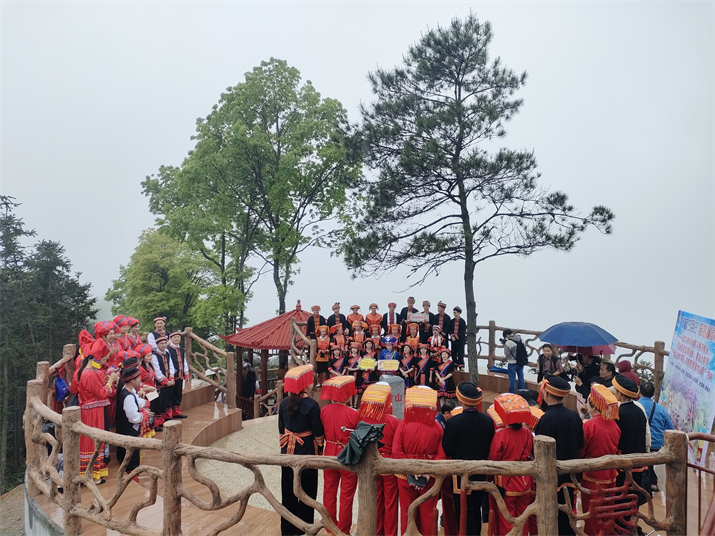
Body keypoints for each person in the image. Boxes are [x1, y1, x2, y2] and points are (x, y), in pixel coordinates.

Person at [442, 382, 495, 536]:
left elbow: (448, 449)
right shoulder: (487, 421)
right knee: (476, 509)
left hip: (460, 475)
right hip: (480, 472)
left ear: (460, 401)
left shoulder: (453, 422)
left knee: (462, 511)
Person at [534, 375, 584, 536]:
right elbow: (581, 444)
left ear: (546, 393)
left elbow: (539, 451)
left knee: (551, 512)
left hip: (551, 475)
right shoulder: (574, 415)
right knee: (568, 510)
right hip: (571, 473)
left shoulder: (546, 419)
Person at [393, 386, 446, 536]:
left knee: (406, 512)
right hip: (429, 477)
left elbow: (396, 451)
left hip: (405, 476)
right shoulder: (437, 427)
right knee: (428, 513)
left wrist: (411, 471)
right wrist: (428, 473)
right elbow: (441, 455)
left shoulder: (403, 424)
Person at [279, 365, 324, 536]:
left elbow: (281, 430)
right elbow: (318, 433)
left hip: (287, 453)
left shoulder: (283, 403)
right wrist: (320, 448)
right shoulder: (312, 405)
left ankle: (287, 528)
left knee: (287, 491)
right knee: (307, 491)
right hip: (306, 453)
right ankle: (304, 528)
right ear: (306, 385)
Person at [488, 393, 537, 536]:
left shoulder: (501, 434)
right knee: (523, 517)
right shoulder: (528, 433)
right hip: (525, 480)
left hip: (506, 481)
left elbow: (493, 458)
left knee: (507, 518)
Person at [579, 384, 621, 536]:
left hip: (592, 473)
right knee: (607, 509)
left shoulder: (589, 425)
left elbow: (582, 450)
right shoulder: (615, 425)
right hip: (611, 472)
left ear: (593, 406)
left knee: (592, 509)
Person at [359, 383, 400, 536]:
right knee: (390, 502)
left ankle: (376, 531)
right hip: (388, 464)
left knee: (374, 500)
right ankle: (390, 533)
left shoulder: (363, 419)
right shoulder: (393, 421)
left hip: (370, 463)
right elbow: (396, 447)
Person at [320, 376, 358, 535]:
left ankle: (329, 526)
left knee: (329, 491)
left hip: (329, 451)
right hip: (347, 455)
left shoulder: (324, 410)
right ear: (347, 395)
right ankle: (343, 529)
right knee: (346, 495)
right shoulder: (354, 414)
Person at [77, 339, 119, 483]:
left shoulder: (87, 372)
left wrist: (105, 381)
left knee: (94, 440)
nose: (103, 361)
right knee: (93, 440)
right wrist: (110, 381)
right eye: (102, 358)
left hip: (93, 411)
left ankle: (92, 473)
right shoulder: (90, 374)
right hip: (93, 413)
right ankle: (92, 475)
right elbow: (102, 393)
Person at [610, 375, 649, 511]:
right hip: (639, 461)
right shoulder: (639, 411)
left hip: (623, 463)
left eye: (615, 391)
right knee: (634, 495)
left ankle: (621, 521)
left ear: (620, 394)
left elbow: (616, 438)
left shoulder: (619, 412)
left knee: (622, 497)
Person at [638, 381, 674, 493]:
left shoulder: (635, 406)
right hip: (658, 443)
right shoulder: (661, 409)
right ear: (653, 394)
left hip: (641, 443)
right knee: (654, 464)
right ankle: (653, 484)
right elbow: (670, 428)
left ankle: (641, 484)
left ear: (639, 392)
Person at [116, 366, 151, 476]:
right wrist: (145, 414)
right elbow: (133, 417)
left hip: (128, 430)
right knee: (132, 459)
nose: (140, 380)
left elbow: (136, 403)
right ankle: (132, 478)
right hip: (129, 431)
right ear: (132, 380)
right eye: (138, 378)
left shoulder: (128, 392)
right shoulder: (128, 396)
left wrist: (147, 402)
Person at [151, 335, 175, 429]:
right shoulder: (154, 356)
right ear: (157, 345)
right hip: (158, 384)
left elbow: (171, 365)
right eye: (161, 343)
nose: (164, 345)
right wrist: (165, 381)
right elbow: (157, 371)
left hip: (167, 382)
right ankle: (156, 424)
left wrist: (171, 377)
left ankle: (162, 421)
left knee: (165, 401)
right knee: (158, 403)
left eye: (165, 343)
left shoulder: (167, 353)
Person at [167, 331, 189, 418]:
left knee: (178, 393)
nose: (176, 339)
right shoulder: (168, 349)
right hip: (171, 375)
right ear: (171, 338)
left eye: (178, 337)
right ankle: (169, 414)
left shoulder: (181, 349)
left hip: (180, 374)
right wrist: (171, 375)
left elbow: (184, 361)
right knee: (170, 394)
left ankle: (177, 412)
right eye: (174, 337)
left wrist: (186, 374)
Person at [503, 329, 525, 393]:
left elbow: (507, 353)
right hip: (521, 362)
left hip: (512, 363)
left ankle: (512, 393)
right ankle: (522, 392)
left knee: (512, 379)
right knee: (521, 378)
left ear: (507, 335)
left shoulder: (508, 342)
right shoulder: (521, 339)